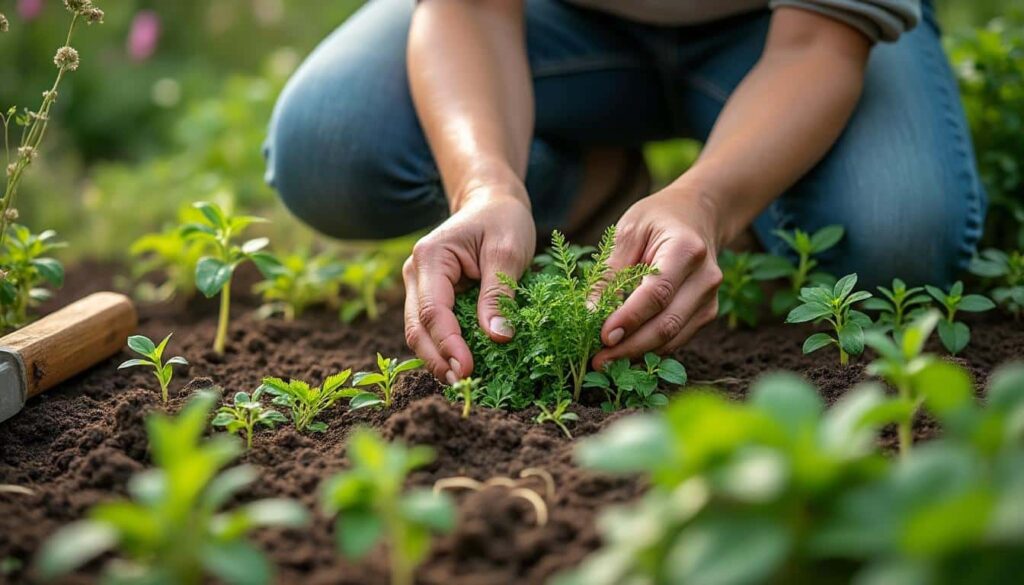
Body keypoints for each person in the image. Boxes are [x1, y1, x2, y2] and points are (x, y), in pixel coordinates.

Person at [264, 0, 986, 385]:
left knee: (897, 234)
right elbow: (471, 9)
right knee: (329, 144)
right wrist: (485, 184)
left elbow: (818, 43)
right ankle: (597, 186)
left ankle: (745, 205)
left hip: (791, 30)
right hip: (558, 20)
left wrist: (710, 199)